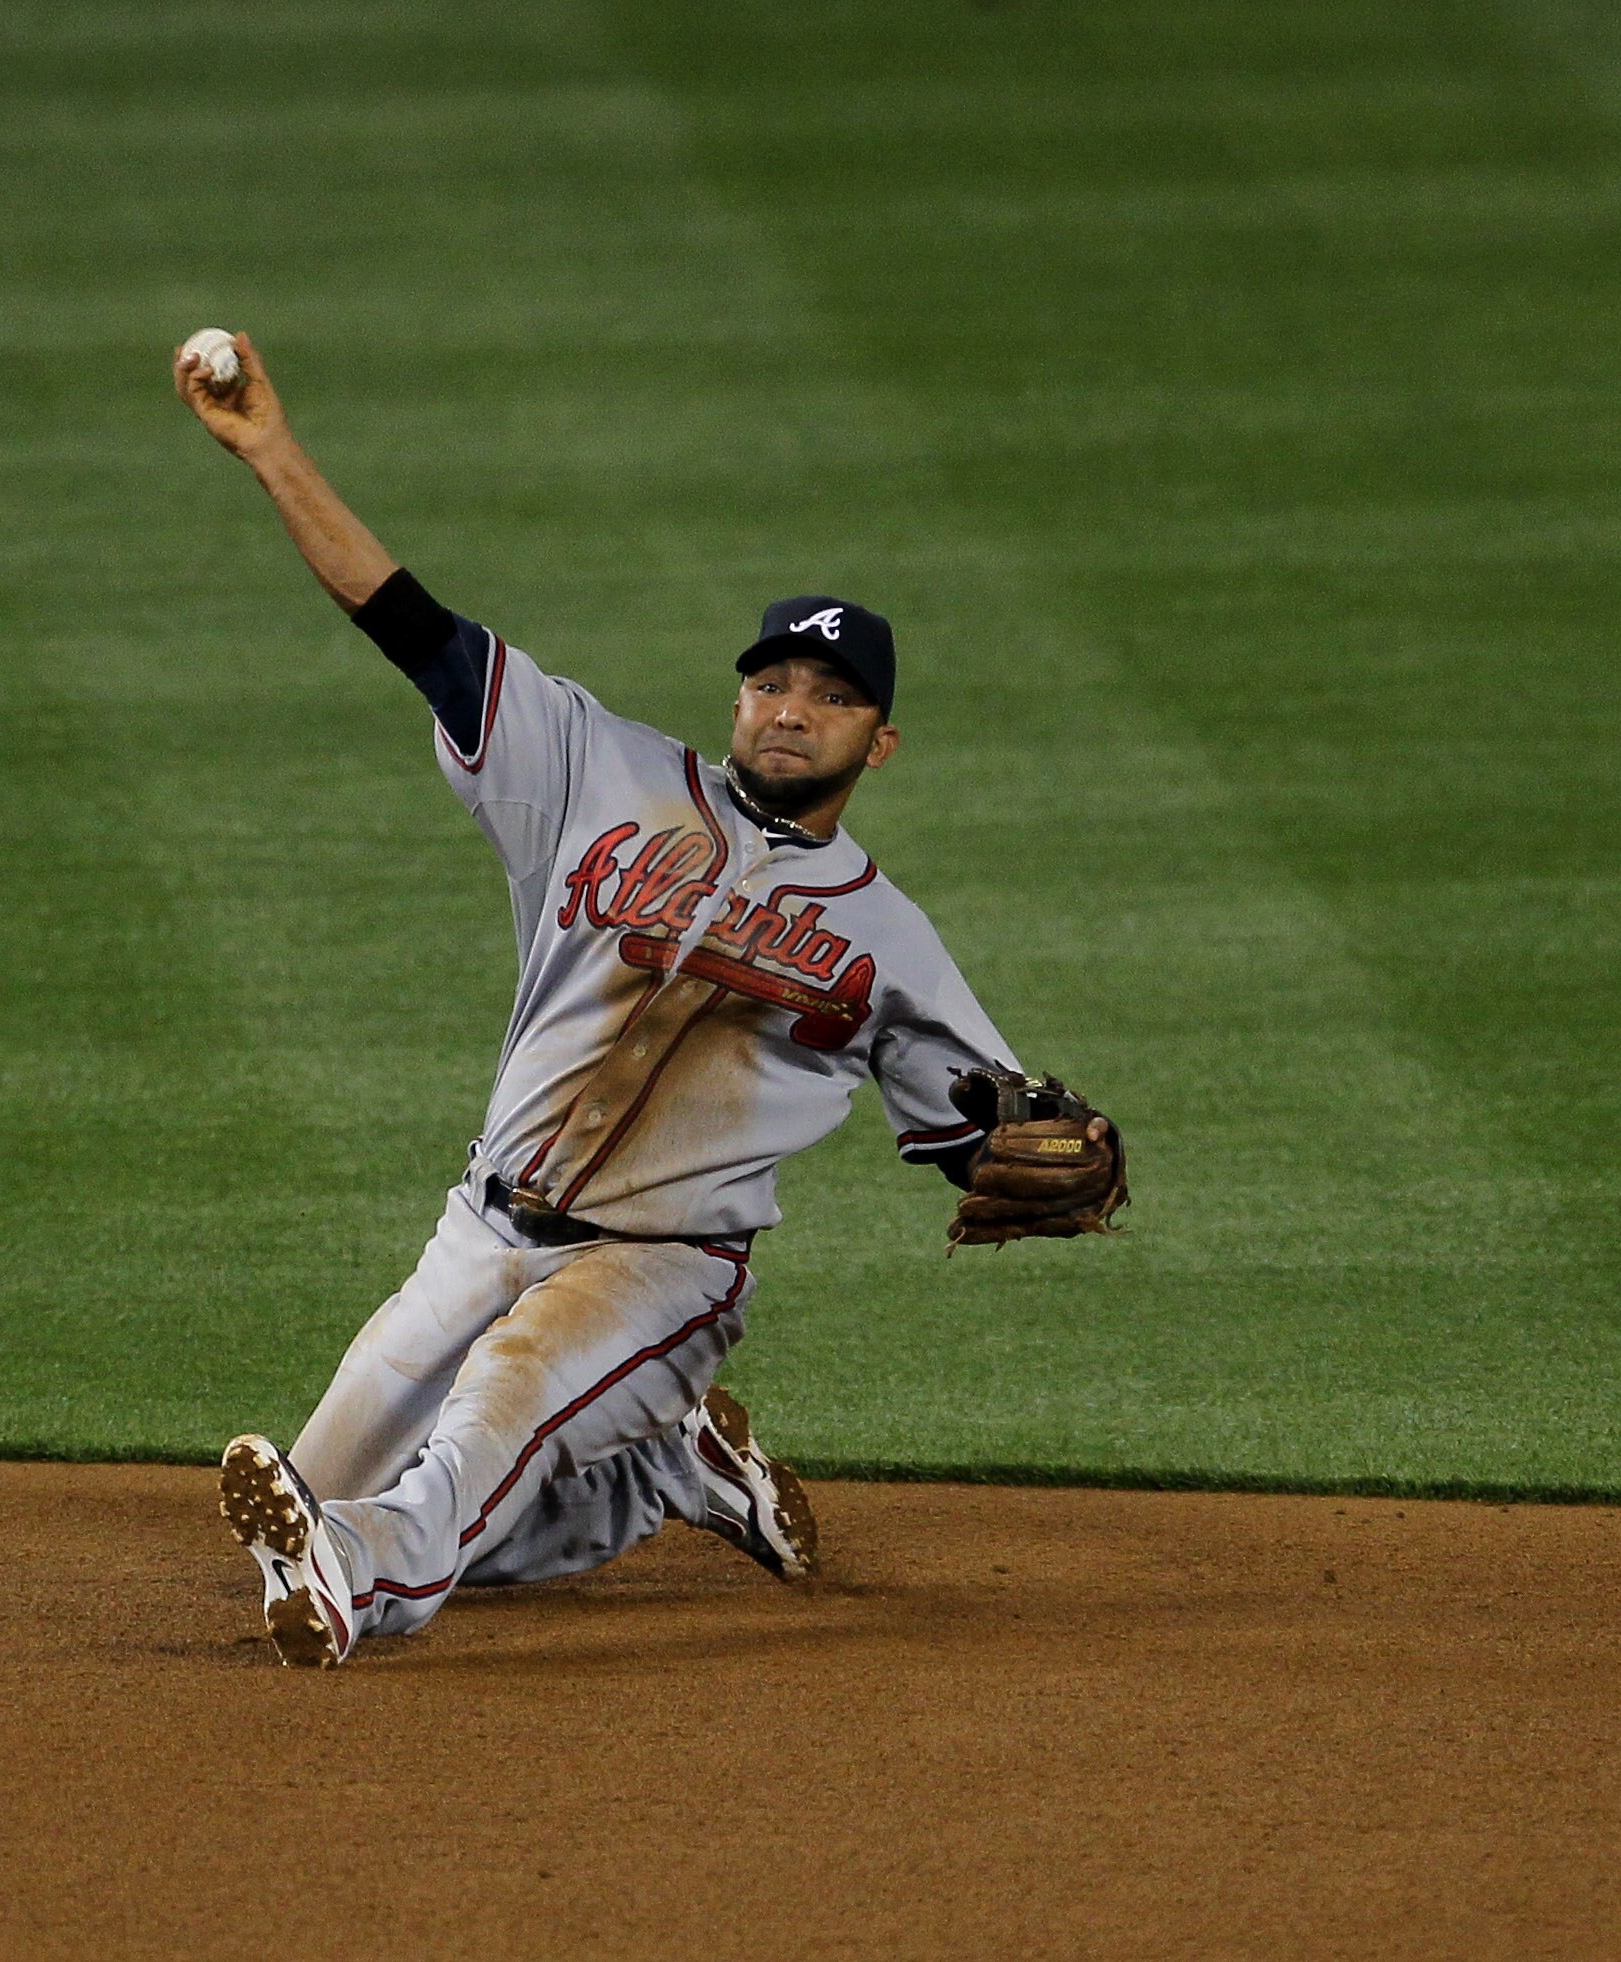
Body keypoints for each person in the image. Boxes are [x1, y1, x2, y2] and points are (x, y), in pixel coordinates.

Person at [173, 331, 1114, 1666]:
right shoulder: (592, 766)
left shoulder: (891, 938)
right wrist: (272, 451)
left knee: (481, 1425)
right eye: (773, 679)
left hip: (660, 1266)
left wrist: (1045, 1149)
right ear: (739, 693)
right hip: (483, 1224)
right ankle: (666, 1475)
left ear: (878, 741)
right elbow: (414, 629)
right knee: (350, 1481)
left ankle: (355, 1582)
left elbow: (980, 1132)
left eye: (832, 696)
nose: (792, 709)